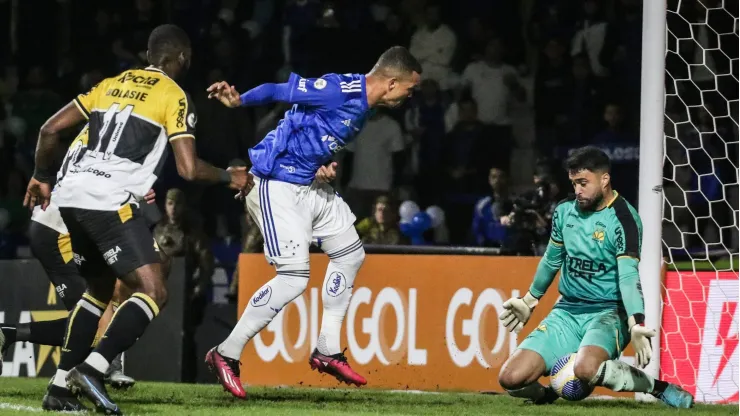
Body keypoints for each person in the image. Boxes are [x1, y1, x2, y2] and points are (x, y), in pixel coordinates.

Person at [23, 24, 251, 414]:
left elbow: (48, 130)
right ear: (182, 58)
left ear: (148, 55)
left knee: (97, 290)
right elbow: (188, 169)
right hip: (110, 201)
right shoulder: (173, 96)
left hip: (70, 199)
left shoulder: (108, 85)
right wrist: (232, 175)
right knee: (154, 290)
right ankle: (93, 369)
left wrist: (42, 175)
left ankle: (59, 388)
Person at [204, 45, 421, 399]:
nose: (411, 95)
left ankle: (327, 349)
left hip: (308, 182)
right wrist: (239, 100)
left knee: (350, 254)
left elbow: (312, 130)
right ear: (393, 83)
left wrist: (322, 161)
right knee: (293, 278)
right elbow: (281, 90)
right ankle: (226, 353)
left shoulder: (364, 107)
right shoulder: (340, 90)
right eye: (410, 88)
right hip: (276, 184)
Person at [496, 147, 694, 409]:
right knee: (510, 378)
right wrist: (530, 300)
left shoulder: (624, 219)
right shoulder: (565, 211)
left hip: (609, 313)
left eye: (583, 183)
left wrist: (635, 323)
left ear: (604, 179)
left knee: (586, 369)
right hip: (566, 312)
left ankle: (658, 388)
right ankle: (547, 396)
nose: (578, 190)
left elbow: (627, 275)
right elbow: (552, 260)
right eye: (574, 183)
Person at [0, 125, 161, 394]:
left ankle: (11, 334)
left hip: (66, 223)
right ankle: (86, 377)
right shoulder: (115, 133)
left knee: (88, 318)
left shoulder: (107, 128)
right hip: (58, 229)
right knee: (90, 321)